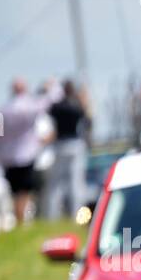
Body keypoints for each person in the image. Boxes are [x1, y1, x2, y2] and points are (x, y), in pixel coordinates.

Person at [0, 77, 61, 224]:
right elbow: (51, 100)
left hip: (9, 157)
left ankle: (19, 218)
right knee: (25, 192)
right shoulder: (30, 106)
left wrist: (1, 153)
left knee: (15, 193)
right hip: (26, 155)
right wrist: (52, 86)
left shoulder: (1, 110)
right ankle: (21, 220)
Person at [43, 80, 90, 218]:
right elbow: (86, 118)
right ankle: (77, 214)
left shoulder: (57, 106)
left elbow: (47, 110)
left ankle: (52, 215)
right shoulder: (76, 106)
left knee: (56, 184)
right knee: (75, 182)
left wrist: (49, 91)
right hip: (75, 144)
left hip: (60, 145)